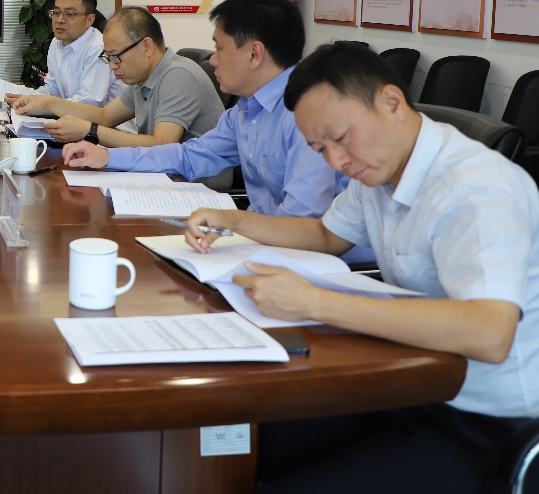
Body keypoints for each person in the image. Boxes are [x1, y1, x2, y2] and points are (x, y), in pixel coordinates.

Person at [183, 42, 539, 494]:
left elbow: (489, 333)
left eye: (341, 137)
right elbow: (326, 235)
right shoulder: (382, 169)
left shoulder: (476, 190)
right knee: (224, 435)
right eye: (320, 148)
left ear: (391, 103)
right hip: (409, 382)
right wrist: (234, 221)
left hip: (488, 423)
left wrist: (313, 302)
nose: (336, 161)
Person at [63, 0, 348, 227]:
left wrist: (235, 228)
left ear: (254, 54)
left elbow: (302, 222)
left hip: (301, 255)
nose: (213, 61)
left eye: (220, 48)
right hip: (262, 237)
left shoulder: (308, 114)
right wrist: (108, 157)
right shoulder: (244, 110)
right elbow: (189, 156)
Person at [13, 6, 223, 151]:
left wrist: (89, 131)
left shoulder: (178, 75)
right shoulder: (143, 77)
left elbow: (162, 146)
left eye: (116, 57)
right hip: (162, 174)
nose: (112, 66)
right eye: (108, 57)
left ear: (146, 46)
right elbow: (105, 116)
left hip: (194, 187)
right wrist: (47, 103)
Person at [5, 0, 122, 111]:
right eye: (56, 12)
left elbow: (90, 103)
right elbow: (53, 88)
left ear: (90, 20)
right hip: (72, 118)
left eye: (69, 14)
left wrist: (43, 104)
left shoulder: (98, 48)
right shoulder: (56, 42)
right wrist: (28, 99)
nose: (60, 20)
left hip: (103, 122)